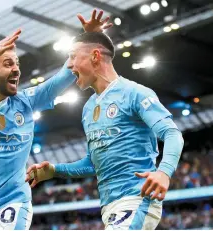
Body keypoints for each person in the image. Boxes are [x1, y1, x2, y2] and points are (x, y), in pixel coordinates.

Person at [0, 10, 112, 230]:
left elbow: (65, 74)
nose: (16, 69)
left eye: (16, 63)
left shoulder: (26, 102)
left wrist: (87, 40)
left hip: (13, 203)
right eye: (8, 64)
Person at [25, 29, 184, 229]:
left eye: (73, 57)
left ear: (95, 56)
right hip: (109, 207)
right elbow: (93, 163)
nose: (71, 66)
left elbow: (172, 134)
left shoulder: (134, 93)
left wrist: (164, 172)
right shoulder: (88, 108)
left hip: (136, 198)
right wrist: (55, 171)